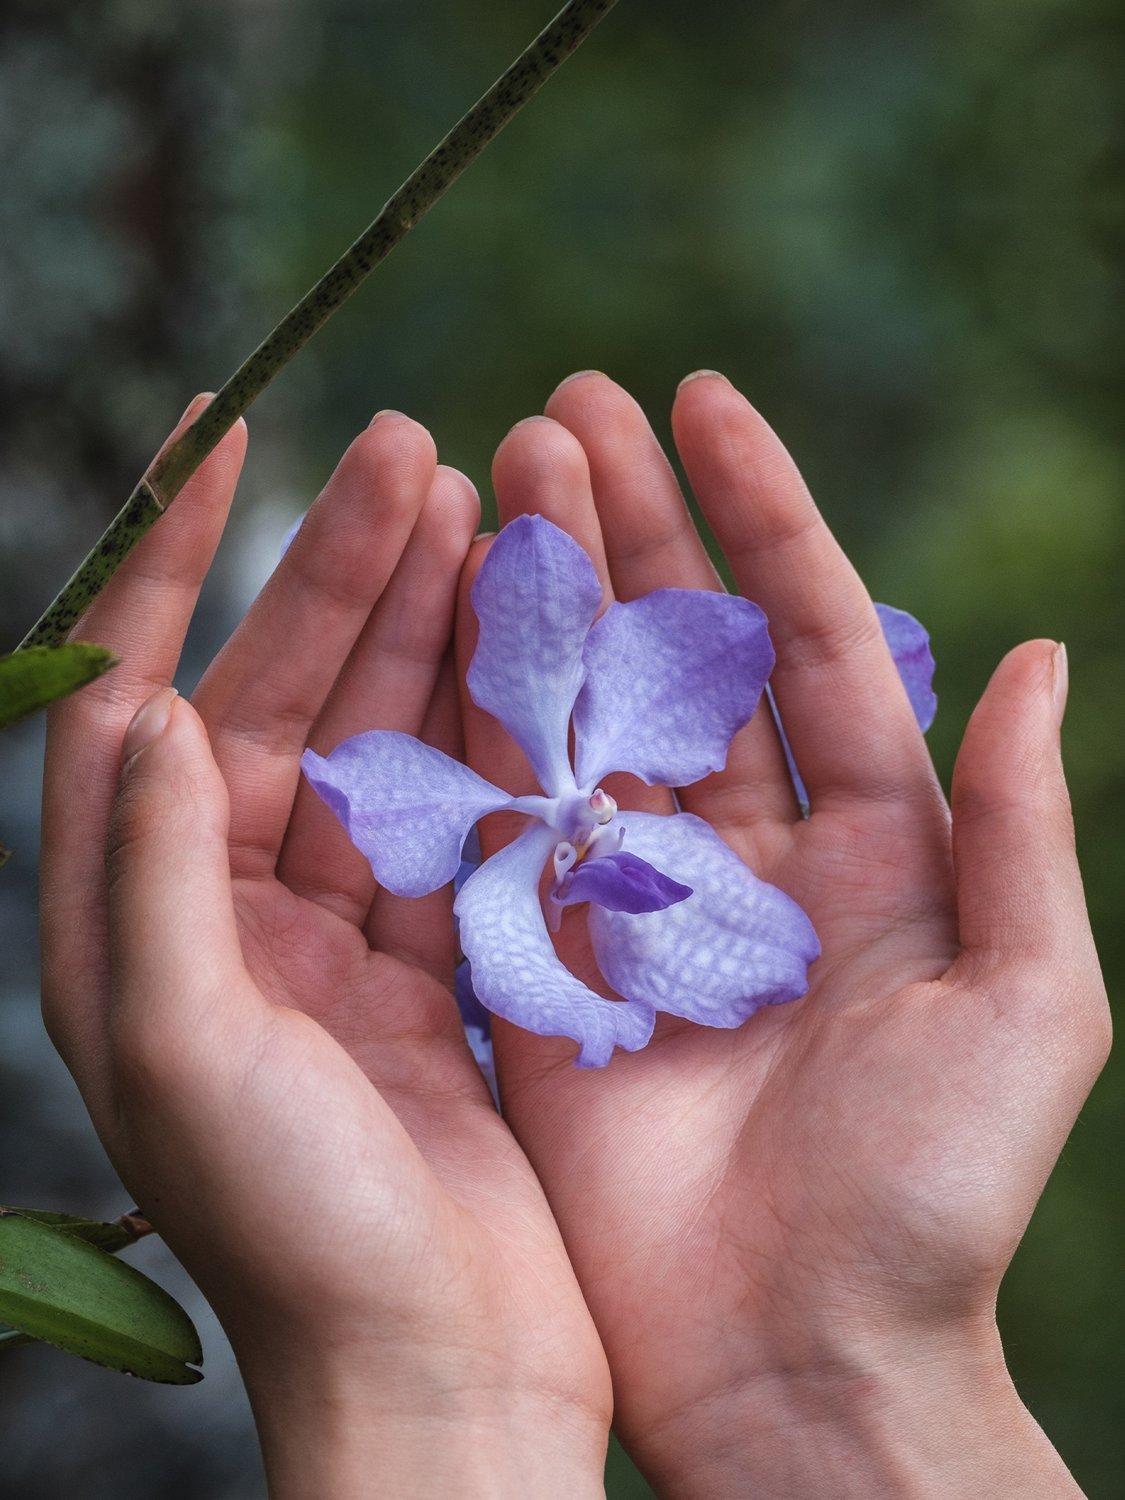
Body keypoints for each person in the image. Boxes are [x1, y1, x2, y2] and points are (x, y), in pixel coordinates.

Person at [39, 372, 1109, 1496]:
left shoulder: (628, 815)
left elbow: (711, 670)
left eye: (599, 813)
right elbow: (491, 923)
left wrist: (417, 1393)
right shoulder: (495, 891)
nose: (595, 814)